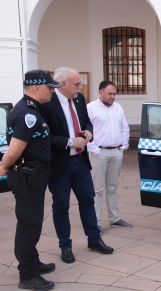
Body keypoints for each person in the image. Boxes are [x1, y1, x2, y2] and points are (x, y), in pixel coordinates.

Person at [41, 67, 113, 265]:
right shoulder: (48, 103)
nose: (79, 87)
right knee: (61, 205)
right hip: (59, 163)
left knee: (88, 200)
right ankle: (65, 246)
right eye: (76, 84)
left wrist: (88, 133)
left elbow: (87, 123)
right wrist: (70, 142)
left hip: (80, 162)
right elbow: (45, 136)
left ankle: (94, 239)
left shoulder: (79, 100)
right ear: (63, 84)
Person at [0, 70, 60, 290]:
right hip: (27, 176)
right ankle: (27, 275)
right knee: (29, 225)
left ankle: (32, 262)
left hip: (32, 175)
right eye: (50, 87)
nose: (53, 91)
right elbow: (14, 150)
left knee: (32, 222)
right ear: (36, 88)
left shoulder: (33, 109)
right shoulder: (28, 113)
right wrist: (4, 166)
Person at [87, 80, 132, 232]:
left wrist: (123, 147)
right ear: (100, 92)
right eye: (110, 94)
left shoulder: (118, 107)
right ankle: (96, 222)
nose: (112, 97)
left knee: (112, 187)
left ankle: (114, 218)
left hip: (116, 152)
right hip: (99, 152)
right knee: (98, 189)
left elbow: (124, 128)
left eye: (114, 94)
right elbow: (84, 130)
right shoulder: (90, 108)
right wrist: (93, 148)